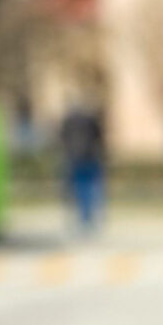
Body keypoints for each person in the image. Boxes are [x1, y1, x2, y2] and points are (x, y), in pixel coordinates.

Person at [57, 101, 106, 237]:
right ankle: (89, 217)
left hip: (73, 157)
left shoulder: (68, 120)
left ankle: (80, 217)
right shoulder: (90, 119)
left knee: (76, 189)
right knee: (91, 189)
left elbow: (61, 137)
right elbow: (99, 136)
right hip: (90, 156)